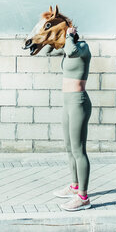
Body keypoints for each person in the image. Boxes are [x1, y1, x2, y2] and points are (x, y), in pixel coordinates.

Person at [43, 26, 92, 211]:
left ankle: (83, 197)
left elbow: (71, 51)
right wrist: (53, 38)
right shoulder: (67, 49)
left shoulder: (82, 47)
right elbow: (48, 52)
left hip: (79, 103)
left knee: (79, 150)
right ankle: (74, 186)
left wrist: (70, 35)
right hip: (67, 103)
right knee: (69, 147)